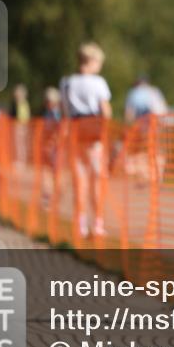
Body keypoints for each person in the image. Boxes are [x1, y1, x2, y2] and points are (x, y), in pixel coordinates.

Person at [60, 42, 113, 239]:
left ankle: (80, 223)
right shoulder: (98, 83)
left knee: (79, 179)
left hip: (74, 131)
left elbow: (64, 111)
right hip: (93, 132)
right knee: (97, 179)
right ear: (91, 61)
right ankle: (97, 223)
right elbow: (105, 110)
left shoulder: (66, 82)